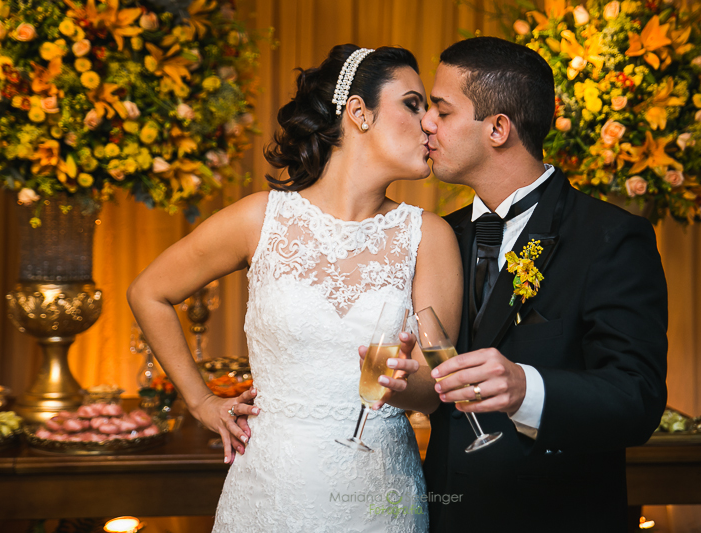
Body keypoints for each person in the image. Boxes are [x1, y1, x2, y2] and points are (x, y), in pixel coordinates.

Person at [127, 44, 463, 532]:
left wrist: (398, 383)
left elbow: (434, 389)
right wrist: (201, 402)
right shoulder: (260, 218)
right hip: (270, 492)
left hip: (377, 496)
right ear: (358, 112)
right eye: (413, 104)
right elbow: (149, 292)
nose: (430, 123)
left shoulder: (428, 236)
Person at [417, 37, 669, 531]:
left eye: (441, 111)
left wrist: (525, 388)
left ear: (498, 128)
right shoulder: (437, 236)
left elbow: (636, 399)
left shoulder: (610, 238)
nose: (426, 122)